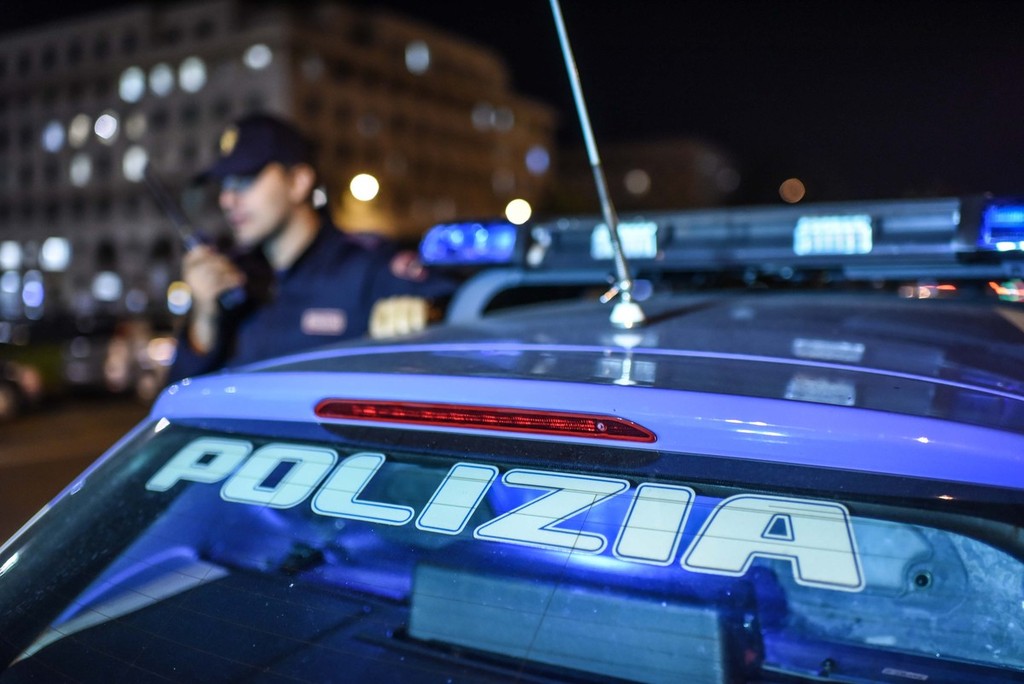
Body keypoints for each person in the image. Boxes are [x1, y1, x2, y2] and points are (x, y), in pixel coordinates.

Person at [168, 113, 456, 382]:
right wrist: (204, 319)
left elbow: (462, 308)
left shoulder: (366, 268)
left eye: (245, 179)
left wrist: (427, 313)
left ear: (298, 182)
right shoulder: (232, 279)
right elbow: (178, 397)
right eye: (224, 184)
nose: (226, 200)